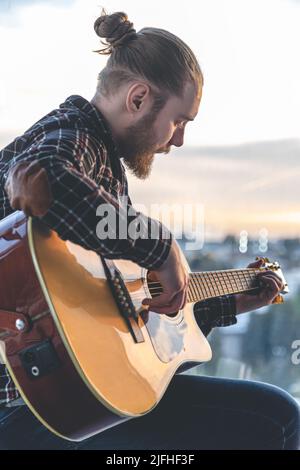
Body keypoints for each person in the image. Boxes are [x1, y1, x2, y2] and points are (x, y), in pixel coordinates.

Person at [0, 9, 299, 450]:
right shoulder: (72, 136)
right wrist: (163, 249)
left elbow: (126, 325)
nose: (178, 140)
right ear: (138, 98)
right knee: (275, 420)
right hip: (31, 411)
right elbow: (47, 180)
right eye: (180, 121)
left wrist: (228, 303)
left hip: (66, 403)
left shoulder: (104, 166)